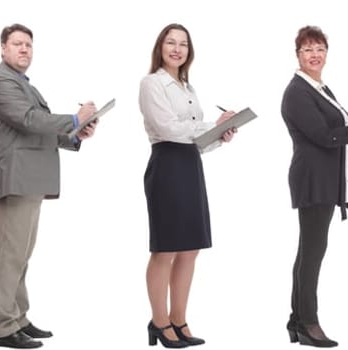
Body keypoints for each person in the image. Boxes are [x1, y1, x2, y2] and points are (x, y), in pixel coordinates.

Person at [0, 23, 98, 349]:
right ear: (3, 49)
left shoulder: (22, 84)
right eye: (17, 44)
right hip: (14, 180)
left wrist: (75, 134)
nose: (24, 50)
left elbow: (35, 128)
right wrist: (74, 119)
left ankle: (18, 318)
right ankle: (3, 328)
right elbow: (29, 120)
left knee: (20, 255)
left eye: (28, 45)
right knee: (8, 256)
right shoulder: (0, 82)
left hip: (30, 180)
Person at [279, 25, 348, 348]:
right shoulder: (297, 91)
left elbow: (339, 135)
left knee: (309, 250)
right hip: (313, 178)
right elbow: (324, 137)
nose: (315, 55)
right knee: (313, 251)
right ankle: (308, 323)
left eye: (320, 48)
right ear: (297, 55)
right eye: (308, 49)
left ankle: (297, 320)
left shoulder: (319, 87)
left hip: (325, 176)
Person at [136, 23, 237, 349]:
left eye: (183, 44)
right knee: (165, 248)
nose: (177, 49)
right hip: (166, 165)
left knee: (190, 249)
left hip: (191, 166)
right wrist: (211, 126)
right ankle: (159, 321)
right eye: (171, 43)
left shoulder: (187, 88)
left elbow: (197, 140)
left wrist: (220, 135)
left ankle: (179, 320)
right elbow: (168, 129)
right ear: (160, 47)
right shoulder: (152, 83)